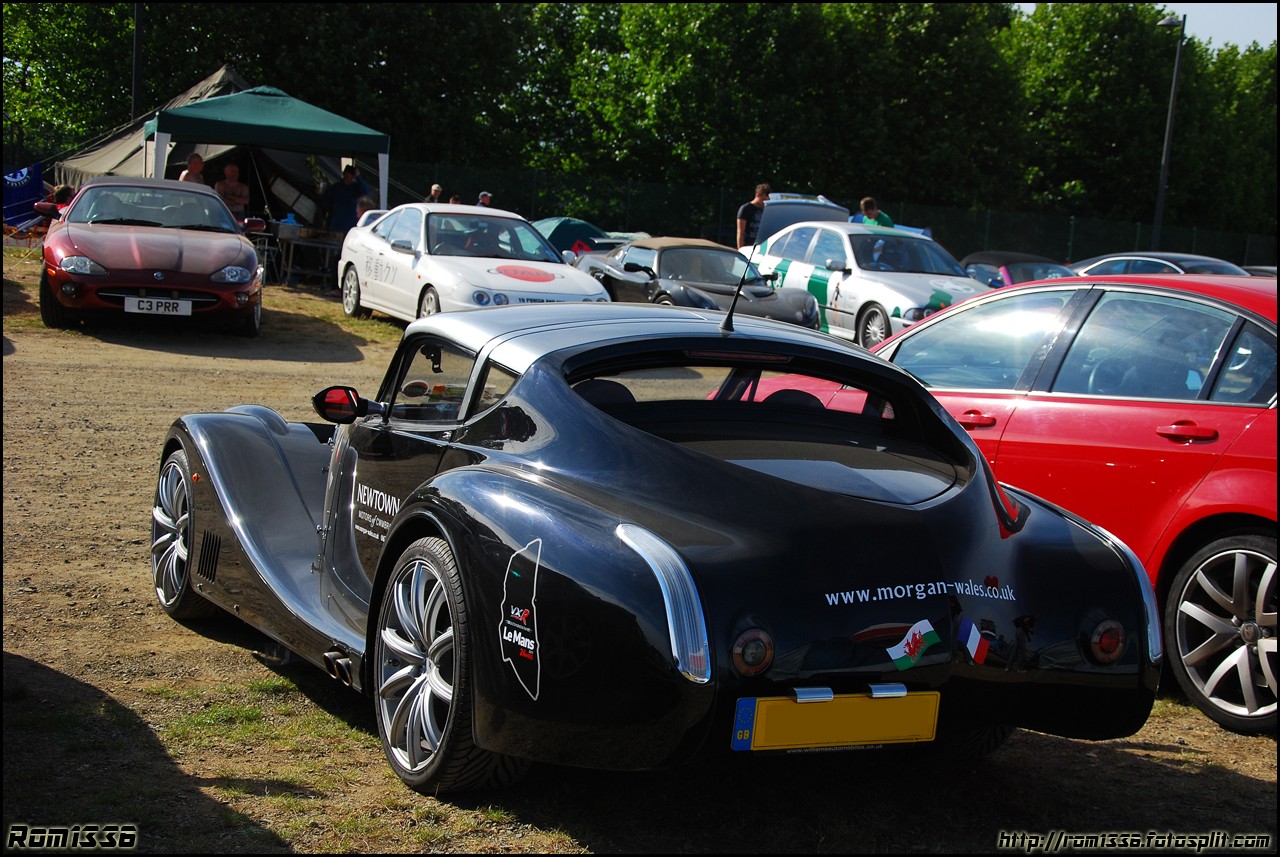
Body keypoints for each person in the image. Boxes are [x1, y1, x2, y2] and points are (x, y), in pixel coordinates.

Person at [322, 164, 372, 235]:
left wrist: (358, 177)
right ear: (344, 174)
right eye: (348, 175)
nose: (349, 178)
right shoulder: (336, 187)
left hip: (351, 223)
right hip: (337, 223)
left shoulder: (356, 188)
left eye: (351, 176)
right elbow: (327, 202)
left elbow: (366, 191)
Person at [736, 183, 770, 248]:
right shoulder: (745, 209)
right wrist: (740, 249)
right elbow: (740, 232)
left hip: (760, 246)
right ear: (758, 195)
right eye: (764, 198)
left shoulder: (766, 209)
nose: (766, 200)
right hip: (748, 246)